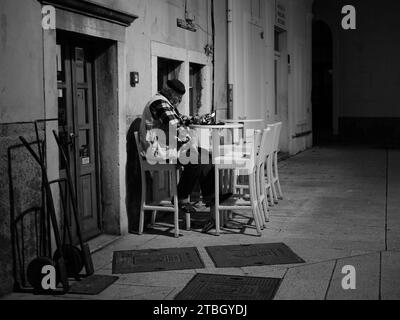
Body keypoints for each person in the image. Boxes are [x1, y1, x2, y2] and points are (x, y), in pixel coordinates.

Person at [139, 79, 230, 232]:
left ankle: (211, 197)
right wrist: (189, 140)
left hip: (168, 147)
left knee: (205, 155)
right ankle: (181, 197)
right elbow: (175, 126)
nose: (180, 100)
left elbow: (179, 119)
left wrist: (196, 120)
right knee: (195, 157)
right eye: (178, 97)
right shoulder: (159, 103)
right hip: (156, 151)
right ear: (170, 93)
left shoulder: (167, 103)